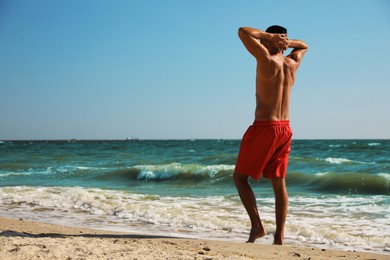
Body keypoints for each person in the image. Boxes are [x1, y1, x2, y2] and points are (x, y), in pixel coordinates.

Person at [233, 25, 308, 245]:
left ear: (270, 41)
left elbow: (243, 32)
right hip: (285, 129)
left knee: (239, 178)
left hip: (265, 127)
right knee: (279, 183)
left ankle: (257, 226)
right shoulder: (292, 63)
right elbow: (305, 45)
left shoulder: (265, 58)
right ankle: (280, 237)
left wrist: (269, 38)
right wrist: (289, 42)